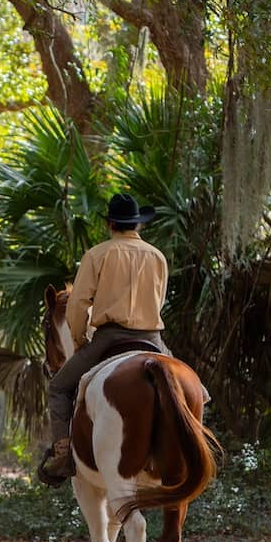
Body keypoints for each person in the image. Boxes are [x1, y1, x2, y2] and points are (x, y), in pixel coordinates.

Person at [40, 193, 170, 482]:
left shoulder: (97, 255)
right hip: (153, 338)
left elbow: (78, 304)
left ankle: (63, 454)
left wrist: (79, 340)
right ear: (138, 225)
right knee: (193, 389)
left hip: (110, 338)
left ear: (111, 223)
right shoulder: (157, 257)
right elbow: (158, 301)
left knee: (58, 388)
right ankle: (197, 443)